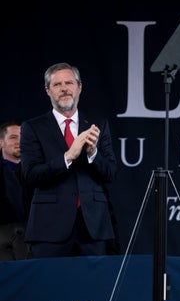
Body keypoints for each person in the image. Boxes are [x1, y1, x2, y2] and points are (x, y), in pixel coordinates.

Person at [21, 62, 118, 258]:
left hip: (93, 228)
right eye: (57, 85)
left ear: (79, 87)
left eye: (69, 83)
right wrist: (68, 156)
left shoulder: (97, 125)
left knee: (92, 288)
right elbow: (30, 175)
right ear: (48, 91)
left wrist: (92, 154)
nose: (64, 88)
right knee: (48, 287)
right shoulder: (33, 127)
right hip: (49, 229)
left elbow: (111, 173)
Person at [0, 120, 28, 223]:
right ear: (1, 142)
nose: (19, 142)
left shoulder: (36, 171)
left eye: (22, 137)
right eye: (13, 137)